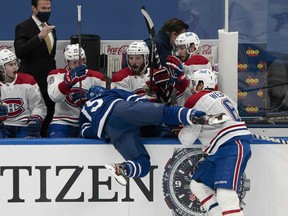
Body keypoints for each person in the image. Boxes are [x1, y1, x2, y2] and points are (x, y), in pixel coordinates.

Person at [79, 85, 215, 186]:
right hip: (121, 110)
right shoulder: (111, 93)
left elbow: (85, 131)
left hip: (111, 130)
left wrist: (103, 133)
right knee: (165, 113)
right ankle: (198, 117)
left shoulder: (84, 108)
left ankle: (123, 168)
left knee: (142, 162)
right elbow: (135, 99)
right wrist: (150, 111)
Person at [178, 69, 253, 216]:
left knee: (225, 195)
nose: (192, 88)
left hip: (230, 146)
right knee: (198, 185)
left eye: (194, 83)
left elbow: (187, 139)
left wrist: (179, 131)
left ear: (201, 84)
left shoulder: (196, 99)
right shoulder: (224, 96)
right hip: (223, 147)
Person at [112, 41, 176, 137]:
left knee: (166, 134)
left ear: (146, 58)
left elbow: (170, 101)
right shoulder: (120, 77)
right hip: (132, 124)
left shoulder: (156, 74)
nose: (134, 62)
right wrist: (149, 98)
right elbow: (123, 107)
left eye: (138, 58)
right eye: (131, 58)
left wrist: (164, 88)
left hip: (155, 122)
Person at [14, 0, 56, 137]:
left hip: (49, 83)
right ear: (34, 8)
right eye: (43, 8)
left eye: (49, 8)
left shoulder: (51, 27)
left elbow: (50, 56)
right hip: (32, 83)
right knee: (33, 122)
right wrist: (39, 37)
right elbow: (19, 52)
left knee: (49, 117)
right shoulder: (23, 27)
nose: (47, 11)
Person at [47, 44, 106, 138]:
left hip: (87, 121)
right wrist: (67, 83)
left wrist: (95, 98)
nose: (78, 65)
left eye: (81, 61)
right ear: (67, 62)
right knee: (57, 145)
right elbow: (55, 97)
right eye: (74, 62)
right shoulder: (56, 74)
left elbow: (104, 104)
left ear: (85, 59)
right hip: (62, 121)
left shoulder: (97, 77)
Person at [0, 49, 47, 138]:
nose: (15, 67)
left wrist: (36, 118)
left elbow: (38, 105)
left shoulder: (28, 80)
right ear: (1, 68)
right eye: (11, 65)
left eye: (15, 63)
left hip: (24, 125)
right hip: (2, 125)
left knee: (32, 141)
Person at [165, 31, 212, 106]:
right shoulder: (185, 63)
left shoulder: (198, 61)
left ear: (192, 47)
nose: (179, 52)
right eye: (178, 48)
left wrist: (180, 80)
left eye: (182, 48)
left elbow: (195, 91)